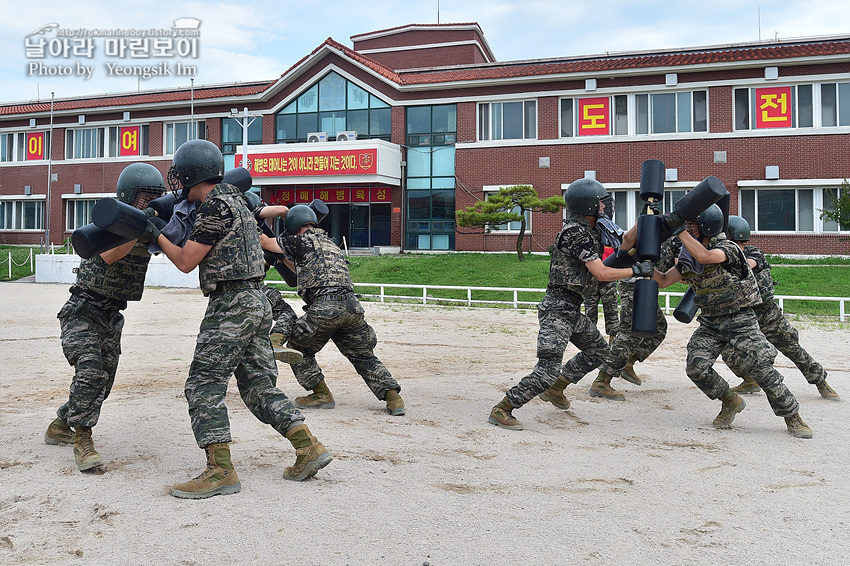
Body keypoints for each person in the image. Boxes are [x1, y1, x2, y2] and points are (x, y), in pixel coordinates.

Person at [150, 140, 331, 499]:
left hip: (231, 305)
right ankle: (307, 446)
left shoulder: (214, 208)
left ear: (189, 173)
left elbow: (186, 261)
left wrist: (152, 232)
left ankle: (220, 470)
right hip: (257, 301)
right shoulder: (237, 198)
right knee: (258, 386)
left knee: (203, 384)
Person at [488, 178, 652, 431]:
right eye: (600, 203)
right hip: (557, 310)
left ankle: (557, 388)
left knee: (599, 352)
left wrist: (647, 217)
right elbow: (600, 273)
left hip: (571, 309)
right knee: (547, 368)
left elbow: (626, 241)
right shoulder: (575, 233)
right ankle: (504, 407)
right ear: (587, 205)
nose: (604, 207)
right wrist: (636, 270)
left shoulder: (593, 228)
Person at [651, 205, 813, 438]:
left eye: (691, 225)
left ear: (707, 226)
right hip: (710, 323)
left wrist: (678, 230)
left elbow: (705, 257)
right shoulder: (688, 256)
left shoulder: (729, 248)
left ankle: (793, 416)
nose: (687, 228)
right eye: (686, 225)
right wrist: (647, 269)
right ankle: (730, 401)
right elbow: (665, 281)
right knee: (696, 368)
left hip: (740, 319)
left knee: (761, 368)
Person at [45, 163, 167, 471]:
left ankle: (61, 423)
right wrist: (142, 225)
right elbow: (112, 255)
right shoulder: (109, 223)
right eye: (143, 198)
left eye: (155, 197)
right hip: (83, 311)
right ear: (128, 197)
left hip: (112, 316)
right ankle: (83, 441)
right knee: (91, 372)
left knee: (103, 384)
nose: (148, 204)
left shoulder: (151, 224)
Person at [260, 204, 405, 416]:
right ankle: (393, 397)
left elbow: (263, 241)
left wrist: (252, 218)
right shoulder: (330, 243)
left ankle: (321, 394)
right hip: (351, 306)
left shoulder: (299, 240)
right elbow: (302, 270)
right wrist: (283, 258)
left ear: (293, 227)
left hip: (325, 307)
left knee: (299, 348)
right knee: (362, 355)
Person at [723, 216, 839, 399]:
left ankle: (820, 381)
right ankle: (750, 380)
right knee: (728, 350)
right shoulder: (722, 256)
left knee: (792, 348)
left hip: (767, 314)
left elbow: (749, 265)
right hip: (742, 315)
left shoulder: (754, 253)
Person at [592, 236, 682, 397]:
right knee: (629, 335)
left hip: (647, 284)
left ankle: (628, 362)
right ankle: (602, 381)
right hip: (637, 283)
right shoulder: (678, 237)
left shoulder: (676, 234)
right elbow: (682, 266)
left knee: (659, 328)